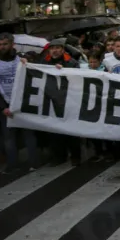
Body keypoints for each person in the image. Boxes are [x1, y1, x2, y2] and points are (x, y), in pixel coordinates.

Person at [0, 33, 39, 173]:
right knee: (9, 138)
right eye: (0, 44)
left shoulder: (22, 60)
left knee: (29, 135)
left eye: (5, 44)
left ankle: (33, 162)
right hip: (6, 105)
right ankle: (12, 164)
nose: (2, 47)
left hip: (23, 104)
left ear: (12, 44)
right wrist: (3, 107)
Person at [38, 38, 81, 166]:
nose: (55, 51)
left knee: (72, 130)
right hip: (52, 101)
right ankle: (59, 156)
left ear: (62, 50)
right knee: (55, 131)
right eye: (52, 48)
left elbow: (78, 78)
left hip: (69, 100)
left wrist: (64, 70)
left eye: (57, 48)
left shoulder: (71, 62)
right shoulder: (43, 62)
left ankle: (75, 156)